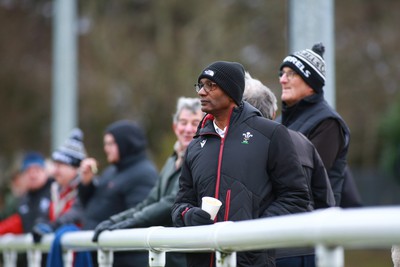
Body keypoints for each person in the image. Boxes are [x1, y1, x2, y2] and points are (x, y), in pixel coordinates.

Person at [171, 61, 311, 267]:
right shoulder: (195, 145)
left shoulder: (271, 134)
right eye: (200, 85)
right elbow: (179, 205)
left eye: (210, 85)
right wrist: (188, 215)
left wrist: (253, 229)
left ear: (231, 92)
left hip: (252, 261)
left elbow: (296, 198)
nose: (201, 92)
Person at [92, 97, 204, 267]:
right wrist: (115, 221)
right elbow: (151, 201)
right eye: (183, 122)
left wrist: (132, 222)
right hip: (167, 254)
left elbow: (170, 202)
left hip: (185, 256)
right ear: (175, 127)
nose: (188, 129)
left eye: (195, 122)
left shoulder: (201, 159)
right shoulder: (172, 160)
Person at [243, 72, 335, 267]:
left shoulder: (246, 145)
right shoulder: (303, 141)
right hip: (309, 247)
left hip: (270, 250)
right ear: (273, 112)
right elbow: (325, 199)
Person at [277, 43, 357, 207]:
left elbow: (304, 178)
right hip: (284, 216)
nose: (282, 80)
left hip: (312, 222)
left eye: (291, 74)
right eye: (282, 73)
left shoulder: (328, 123)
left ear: (311, 83)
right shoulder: (278, 121)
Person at [79, 120, 159, 267]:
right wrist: (87, 184)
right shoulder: (112, 171)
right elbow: (92, 207)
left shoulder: (143, 173)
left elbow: (139, 217)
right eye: (105, 144)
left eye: (110, 144)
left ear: (125, 143)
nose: (106, 148)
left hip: (125, 260)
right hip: (104, 255)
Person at [31, 128, 87, 243]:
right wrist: (40, 224)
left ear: (75, 168)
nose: (54, 171)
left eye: (60, 165)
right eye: (54, 165)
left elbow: (75, 215)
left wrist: (51, 227)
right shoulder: (54, 188)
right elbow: (44, 215)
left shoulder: (85, 189)